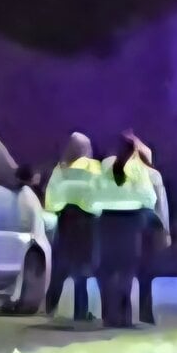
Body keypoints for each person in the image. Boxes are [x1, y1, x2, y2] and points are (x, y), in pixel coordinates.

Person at [92, 134, 158, 329]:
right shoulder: (138, 168)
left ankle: (109, 315)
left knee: (107, 269)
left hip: (106, 221)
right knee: (126, 271)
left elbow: (94, 193)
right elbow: (149, 198)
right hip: (131, 222)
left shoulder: (105, 165)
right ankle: (124, 316)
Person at [41, 132, 101, 322]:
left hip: (66, 220)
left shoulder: (61, 168)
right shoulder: (93, 168)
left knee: (61, 266)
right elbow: (99, 193)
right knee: (81, 269)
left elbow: (51, 196)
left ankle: (49, 307)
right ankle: (81, 312)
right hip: (87, 223)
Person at [136, 137, 170, 325]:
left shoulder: (127, 172)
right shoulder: (153, 175)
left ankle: (121, 312)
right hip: (149, 227)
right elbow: (161, 205)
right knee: (146, 272)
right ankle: (145, 311)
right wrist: (165, 231)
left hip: (127, 225)